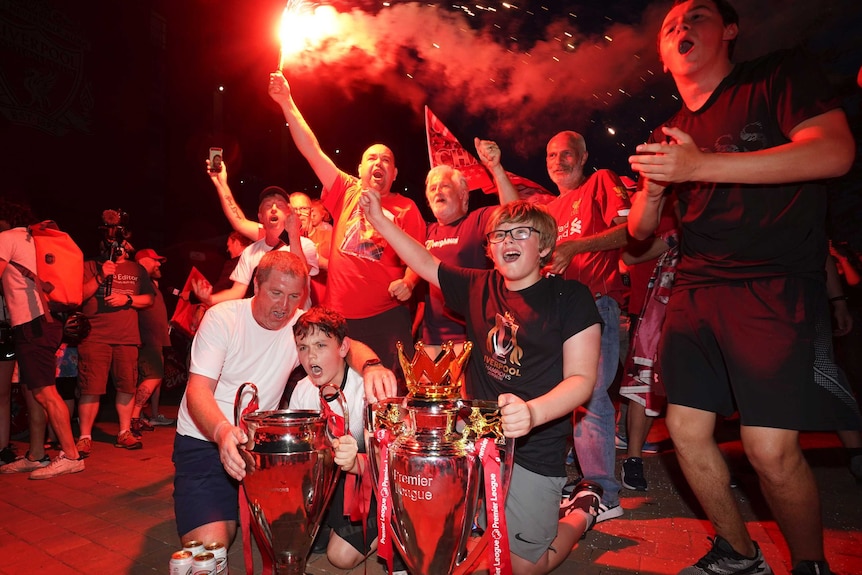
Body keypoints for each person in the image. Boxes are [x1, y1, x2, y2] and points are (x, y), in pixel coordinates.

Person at [627, 1, 857, 574]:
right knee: (683, 429)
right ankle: (738, 552)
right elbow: (639, 230)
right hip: (698, 284)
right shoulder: (670, 131)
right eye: (670, 25)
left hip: (772, 281)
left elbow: (834, 152)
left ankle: (810, 564)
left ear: (729, 30)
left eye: (698, 16)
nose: (681, 27)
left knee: (769, 449)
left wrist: (698, 167)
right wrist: (656, 190)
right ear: (662, 52)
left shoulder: (776, 76)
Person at [361, 194, 604, 575]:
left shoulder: (570, 297)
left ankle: (580, 511)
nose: (507, 241)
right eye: (499, 235)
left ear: (544, 246)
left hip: (534, 446)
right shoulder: (478, 285)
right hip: (474, 440)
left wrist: (532, 412)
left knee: (524, 567)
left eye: (520, 233)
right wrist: (379, 221)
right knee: (448, 535)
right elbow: (425, 261)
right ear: (489, 250)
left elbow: (582, 379)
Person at [173, 250, 394, 550]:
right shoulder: (223, 318)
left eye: (293, 296)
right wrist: (222, 433)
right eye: (276, 293)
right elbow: (196, 391)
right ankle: (225, 509)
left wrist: (372, 367)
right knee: (212, 546)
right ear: (256, 285)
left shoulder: (298, 327)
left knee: (287, 532)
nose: (284, 306)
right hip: (206, 440)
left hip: (261, 447)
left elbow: (348, 346)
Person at [485, 131, 629, 521]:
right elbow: (513, 217)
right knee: (563, 395)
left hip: (596, 306)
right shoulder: (549, 208)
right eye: (551, 154)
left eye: (567, 153)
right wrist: (497, 167)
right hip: (556, 315)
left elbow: (633, 230)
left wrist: (577, 246)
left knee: (591, 396)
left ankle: (604, 492)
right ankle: (584, 480)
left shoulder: (600, 182)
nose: (558, 160)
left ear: (584, 156)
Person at [268, 72, 427, 382]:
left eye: (386, 160)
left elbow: (419, 257)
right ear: (360, 168)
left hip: (386, 316)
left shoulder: (406, 208)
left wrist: (408, 283)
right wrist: (286, 101)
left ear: (394, 174)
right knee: (336, 390)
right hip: (339, 317)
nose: (378, 163)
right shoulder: (346, 190)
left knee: (389, 394)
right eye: (371, 158)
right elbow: (312, 150)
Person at [288, 306, 378, 570]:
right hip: (329, 487)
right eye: (302, 347)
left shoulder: (367, 389)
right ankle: (328, 524)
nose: (310, 355)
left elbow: (388, 463)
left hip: (369, 489)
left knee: (339, 557)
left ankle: (394, 524)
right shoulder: (302, 391)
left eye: (320, 345)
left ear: (343, 347)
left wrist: (357, 461)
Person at [0, 203, 84, 479]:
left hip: (32, 325)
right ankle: (36, 454)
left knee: (45, 392)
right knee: (35, 391)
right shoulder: (32, 239)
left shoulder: (6, 238)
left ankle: (71, 456)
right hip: (46, 322)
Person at [76, 240, 156, 454]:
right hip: (94, 337)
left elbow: (149, 298)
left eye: (120, 241)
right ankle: (84, 437)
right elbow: (78, 295)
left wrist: (126, 299)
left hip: (126, 337)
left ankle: (124, 432)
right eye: (109, 240)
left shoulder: (136, 269)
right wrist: (101, 276)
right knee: (91, 388)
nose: (115, 245)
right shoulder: (89, 265)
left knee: (127, 387)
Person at [192, 186, 318, 308]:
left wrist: (293, 233)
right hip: (262, 323)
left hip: (293, 324)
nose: (273, 208)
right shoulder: (250, 252)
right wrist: (209, 299)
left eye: (279, 205)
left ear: (288, 214)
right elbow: (237, 292)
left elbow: (300, 276)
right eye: (268, 206)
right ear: (261, 217)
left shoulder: (305, 245)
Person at [128, 249, 173, 437]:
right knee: (152, 376)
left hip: (157, 339)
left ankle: (153, 415)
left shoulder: (151, 284)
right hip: (146, 339)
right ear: (143, 261)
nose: (159, 264)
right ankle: (134, 417)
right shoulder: (137, 281)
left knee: (157, 377)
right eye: (155, 260)